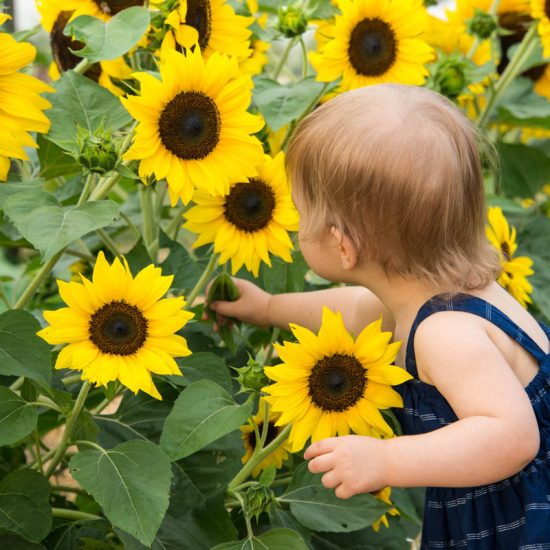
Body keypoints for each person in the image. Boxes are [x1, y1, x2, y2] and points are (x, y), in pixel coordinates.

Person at [206, 84, 550, 548]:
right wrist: (267, 308)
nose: (294, 222)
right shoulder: (429, 291)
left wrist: (387, 461)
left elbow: (512, 437)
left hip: (523, 522)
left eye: (302, 211)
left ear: (343, 245)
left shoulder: (446, 333)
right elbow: (351, 309)